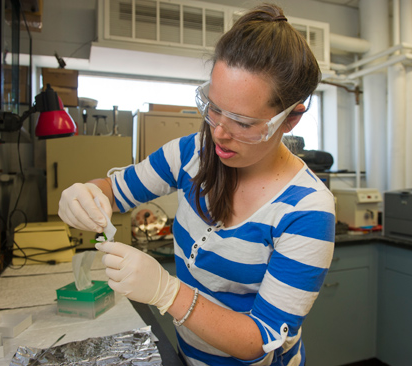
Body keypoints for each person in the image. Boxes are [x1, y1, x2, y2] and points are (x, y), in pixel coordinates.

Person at [58, 3, 335, 365]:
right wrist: (88, 194)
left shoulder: (308, 210)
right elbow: (115, 191)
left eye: (242, 122)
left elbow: (258, 340)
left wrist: (168, 292)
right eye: (214, 107)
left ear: (290, 119)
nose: (219, 133)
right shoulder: (192, 153)